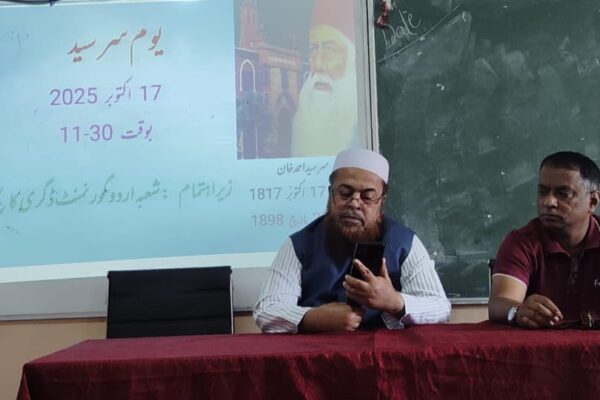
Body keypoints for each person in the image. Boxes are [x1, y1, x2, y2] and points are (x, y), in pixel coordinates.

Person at [254, 148, 451, 332]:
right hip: (318, 353)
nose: (355, 204)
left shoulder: (404, 243)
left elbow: (441, 308)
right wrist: (314, 318)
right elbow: (267, 310)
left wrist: (394, 302)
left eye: (367, 197)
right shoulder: (300, 244)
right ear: (331, 194)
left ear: (381, 202)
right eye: (345, 193)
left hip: (386, 354)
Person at [489, 151, 600, 328]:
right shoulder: (522, 242)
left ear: (592, 202)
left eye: (563, 194)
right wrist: (518, 311)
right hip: (538, 343)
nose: (548, 202)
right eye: (543, 192)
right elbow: (500, 303)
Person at [291, 0, 358, 157]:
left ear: (352, 59)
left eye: (329, 50)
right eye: (313, 50)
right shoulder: (299, 122)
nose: (318, 64)